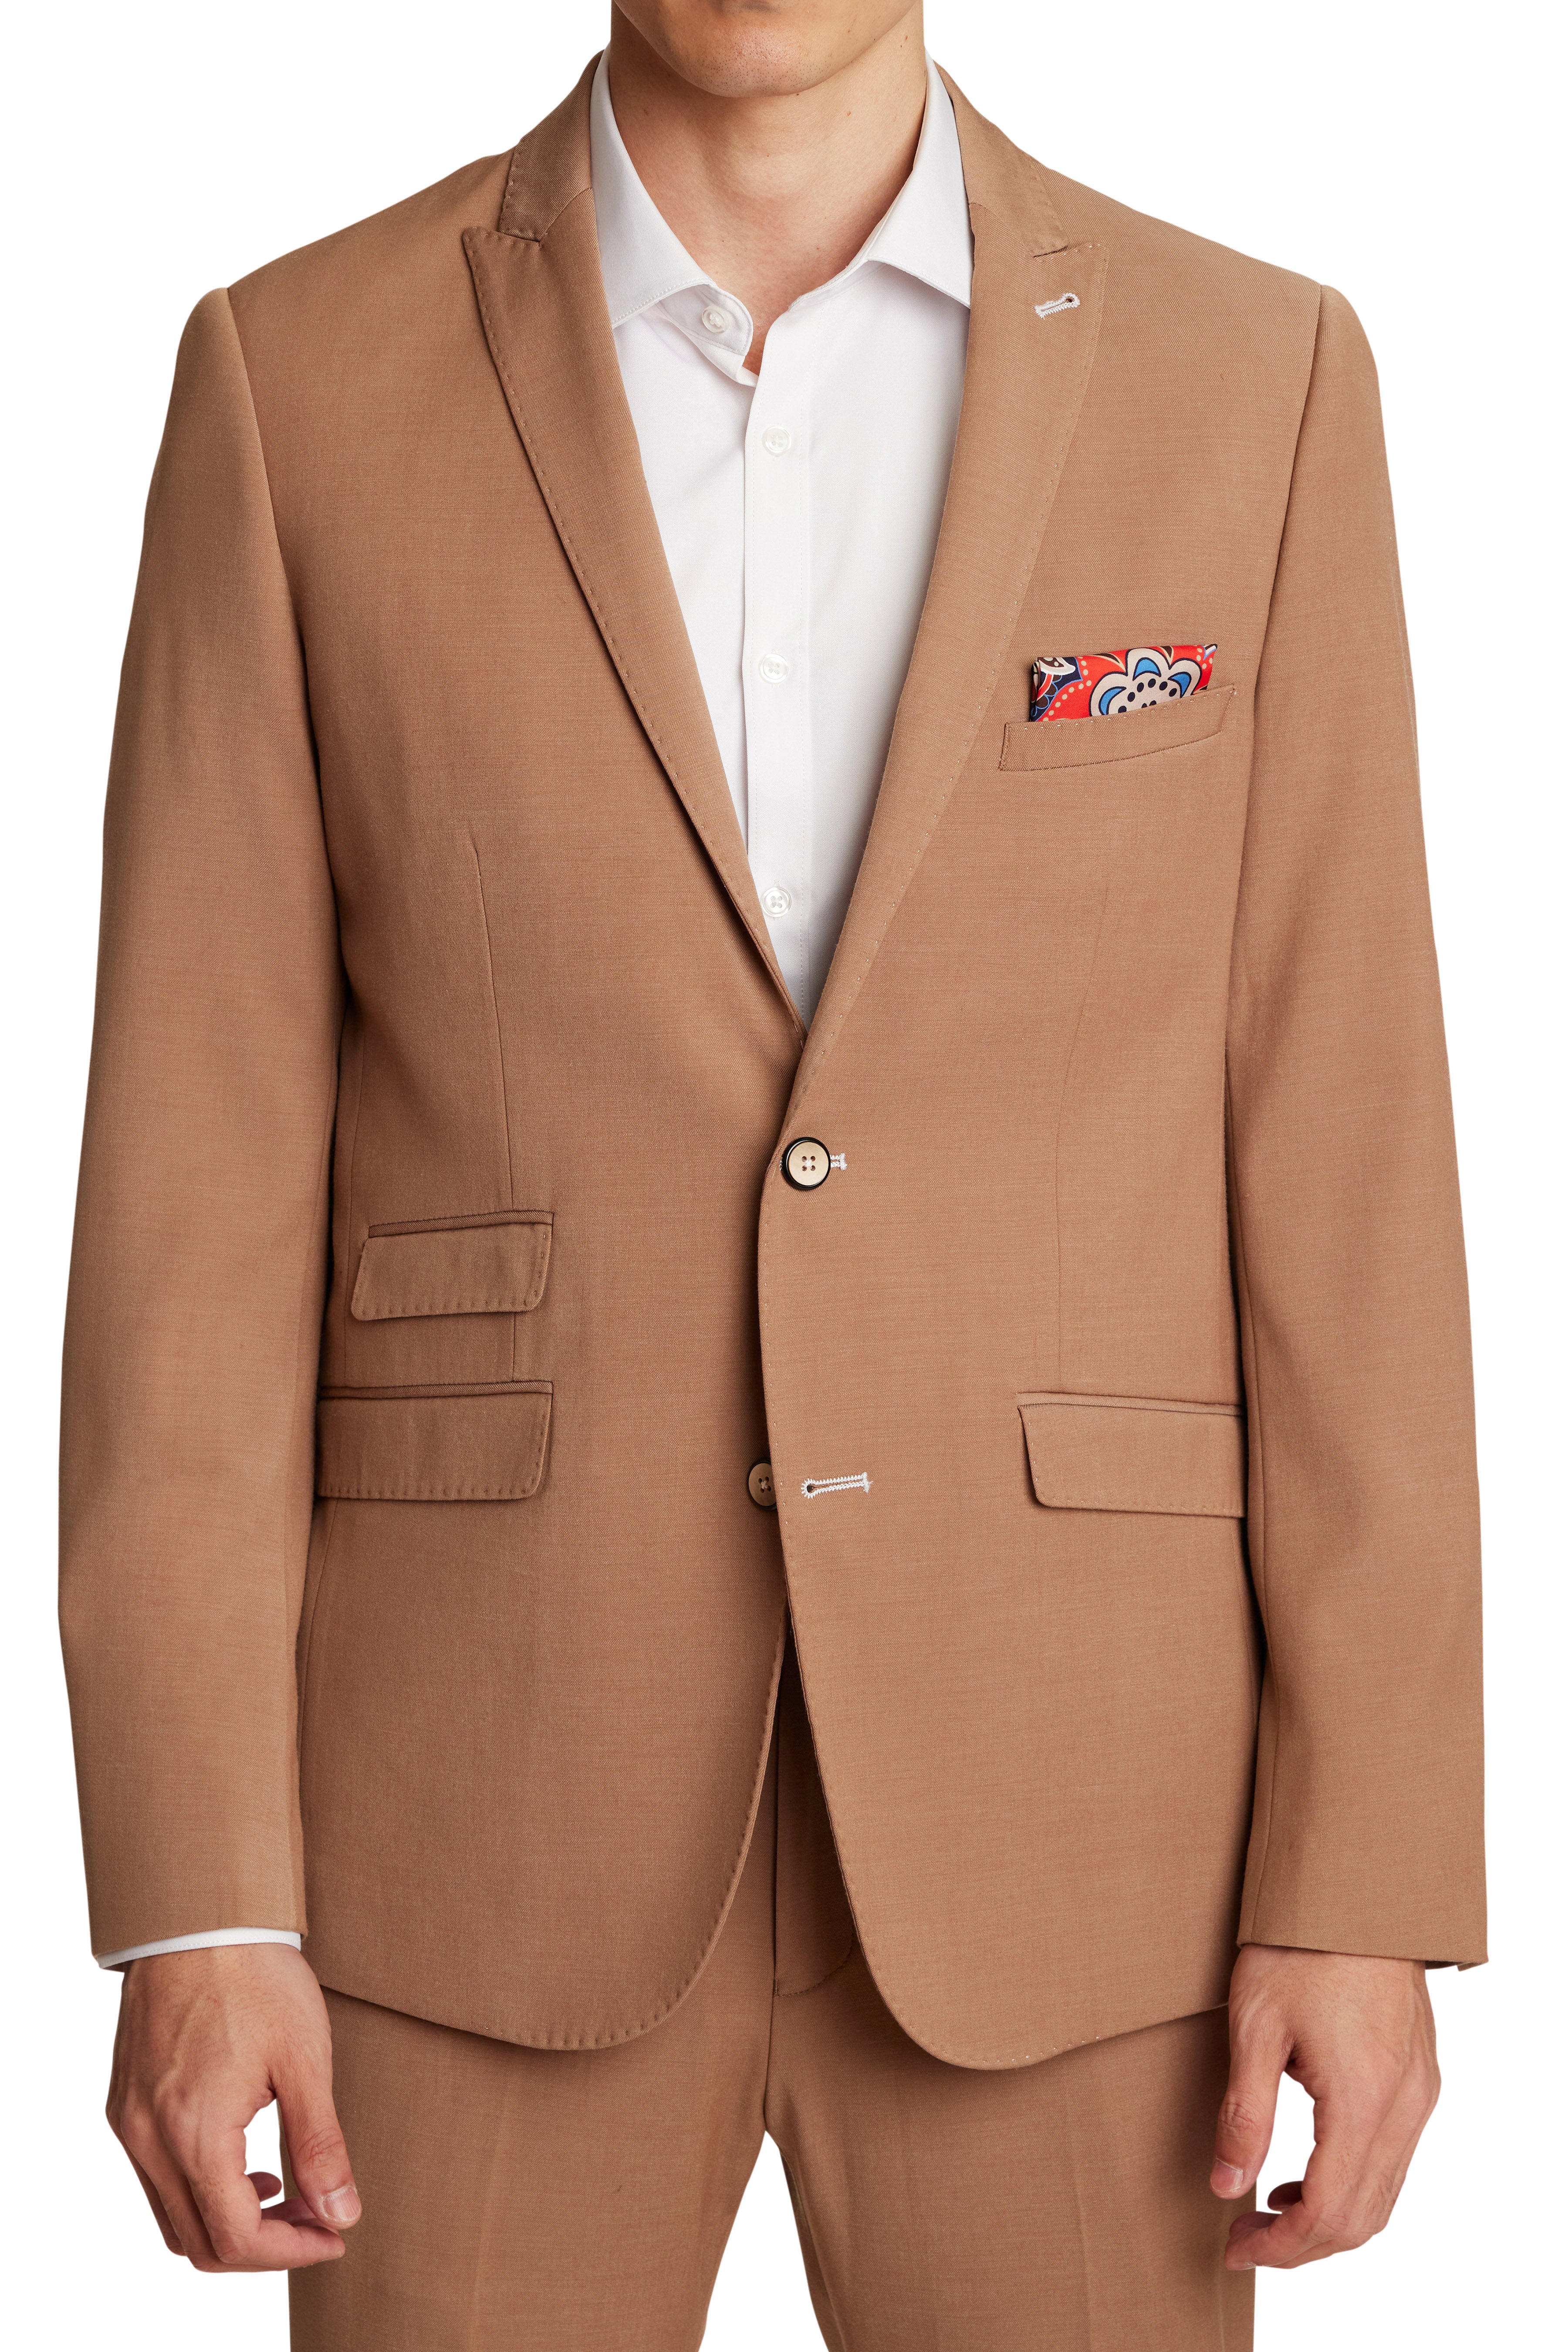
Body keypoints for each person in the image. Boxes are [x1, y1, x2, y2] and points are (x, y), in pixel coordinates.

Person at [60, 3, 1484, 2345]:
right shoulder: (290, 381)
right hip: (470, 1827)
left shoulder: (1260, 383)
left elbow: (1352, 1169)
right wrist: (200, 1896)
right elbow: (187, 1202)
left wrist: (1368, 1869)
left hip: (1088, 1837)